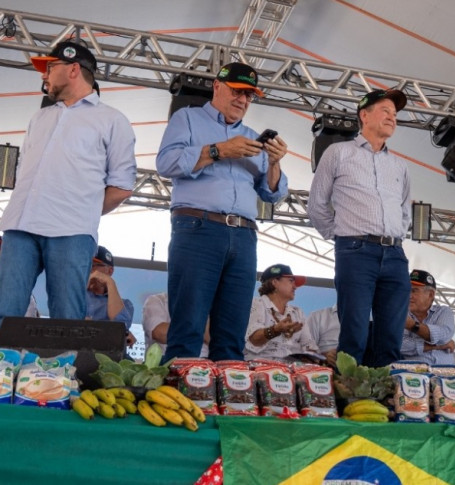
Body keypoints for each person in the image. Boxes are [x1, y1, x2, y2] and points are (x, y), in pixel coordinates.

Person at [156, 62, 288, 361]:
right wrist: (219, 150)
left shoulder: (253, 136)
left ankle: (226, 388)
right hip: (198, 228)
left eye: (249, 95)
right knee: (188, 327)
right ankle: (177, 388)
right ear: (217, 86)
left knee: (232, 332)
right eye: (237, 91)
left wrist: (275, 162)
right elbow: (166, 163)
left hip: (244, 235)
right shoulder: (187, 118)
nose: (243, 100)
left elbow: (272, 193)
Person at [0, 41, 136, 322]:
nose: (44, 74)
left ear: (73, 69)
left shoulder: (112, 120)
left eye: (50, 67)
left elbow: (122, 187)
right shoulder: (40, 117)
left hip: (71, 232)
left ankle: (62, 356)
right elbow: (24, 171)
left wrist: (81, 211)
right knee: (4, 310)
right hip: (20, 226)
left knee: (66, 319)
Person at [308, 88, 411, 367]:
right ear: (364, 115)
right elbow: (316, 204)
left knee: (392, 338)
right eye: (385, 111)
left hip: (395, 254)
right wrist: (343, 237)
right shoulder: (338, 152)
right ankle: (351, 393)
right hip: (355, 251)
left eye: (395, 114)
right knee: (354, 334)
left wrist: (395, 237)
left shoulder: (400, 165)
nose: (392, 117)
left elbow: (405, 212)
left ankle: (385, 393)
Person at [244, 264, 317, 360]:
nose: (295, 287)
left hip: (291, 367)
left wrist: (314, 357)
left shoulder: (297, 312)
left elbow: (308, 344)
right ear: (275, 282)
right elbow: (254, 340)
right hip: (259, 366)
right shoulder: (256, 304)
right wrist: (275, 330)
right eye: (291, 281)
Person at [85, 246, 136, 350]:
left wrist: (110, 282)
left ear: (109, 271)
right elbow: (66, 321)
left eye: (94, 265)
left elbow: (120, 327)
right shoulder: (74, 297)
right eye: (86, 265)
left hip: (108, 353)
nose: (89, 270)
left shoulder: (125, 304)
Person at [401, 270, 455, 365]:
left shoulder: (444, 311)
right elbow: (399, 346)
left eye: (414, 291)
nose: (409, 296)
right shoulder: (401, 314)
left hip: (447, 372)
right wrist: (437, 346)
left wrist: (411, 325)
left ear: (430, 294)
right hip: (412, 372)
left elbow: (443, 335)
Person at [141, 292, 209, 357]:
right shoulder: (157, 300)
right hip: (169, 360)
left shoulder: (209, 304)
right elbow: (159, 333)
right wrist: (200, 330)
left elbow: (212, 338)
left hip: (206, 361)